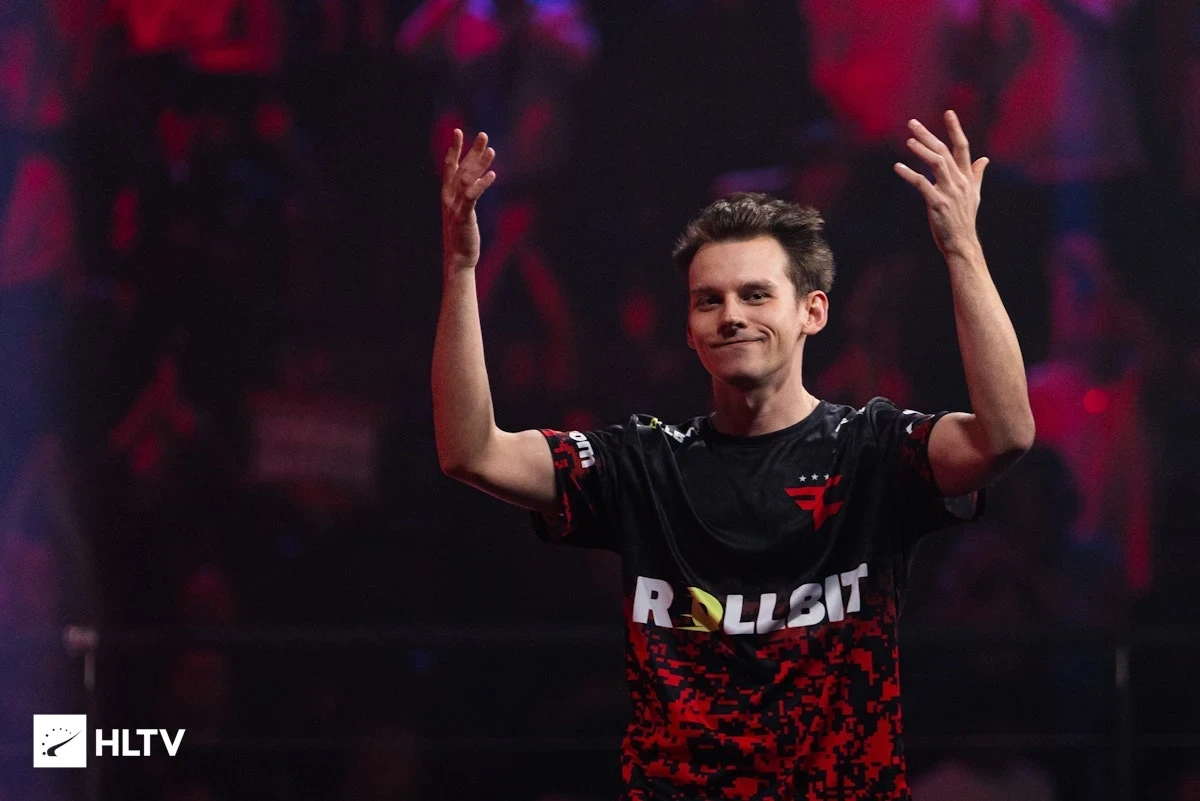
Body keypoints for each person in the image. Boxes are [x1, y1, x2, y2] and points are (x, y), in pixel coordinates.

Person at [431, 112, 1035, 798]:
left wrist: (962, 248)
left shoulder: (873, 450)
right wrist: (461, 268)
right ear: (689, 332)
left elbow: (1004, 435)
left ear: (812, 311)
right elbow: (471, 451)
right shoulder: (645, 463)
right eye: (708, 301)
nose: (731, 316)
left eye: (755, 294)